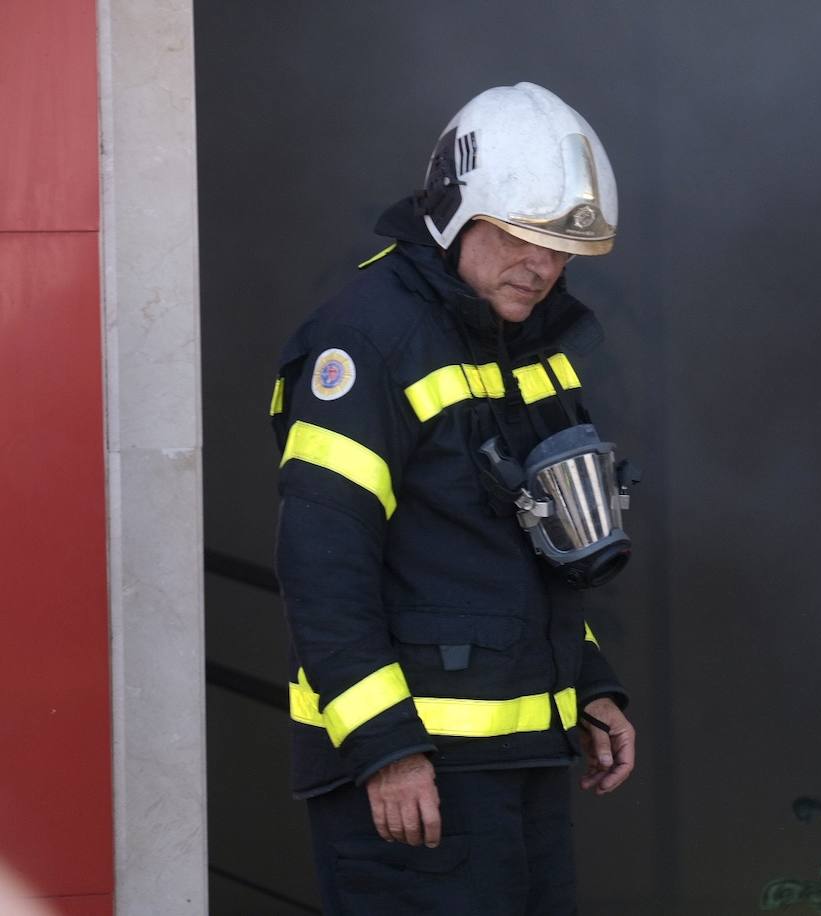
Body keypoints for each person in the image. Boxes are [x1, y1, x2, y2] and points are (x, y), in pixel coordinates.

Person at [269, 82, 637, 915]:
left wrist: (588, 681)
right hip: (416, 783)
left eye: (556, 247)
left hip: (519, 766)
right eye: (518, 236)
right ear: (455, 212)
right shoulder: (366, 341)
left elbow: (527, 548)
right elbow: (322, 562)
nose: (541, 266)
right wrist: (386, 750)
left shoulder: (526, 347)